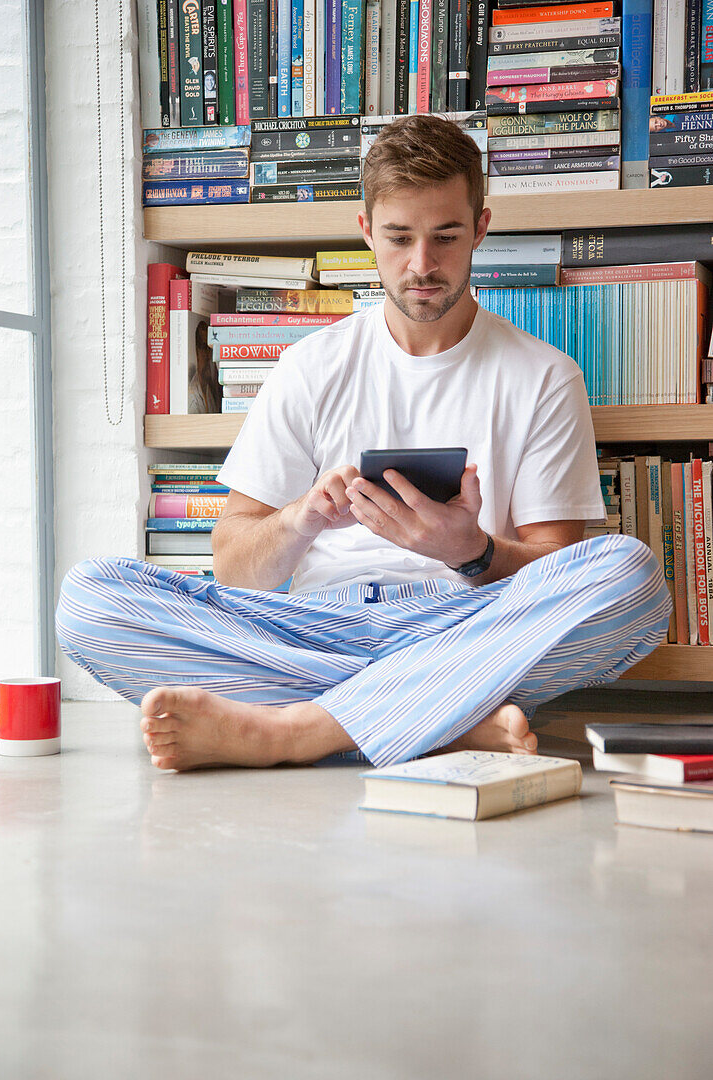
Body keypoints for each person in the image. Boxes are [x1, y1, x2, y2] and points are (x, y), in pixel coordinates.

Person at [56, 115, 671, 773]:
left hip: (462, 626)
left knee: (628, 577)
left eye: (445, 237)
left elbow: (560, 566)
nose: (421, 265)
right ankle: (438, 717)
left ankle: (294, 731)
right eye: (399, 238)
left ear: (481, 229)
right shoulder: (311, 366)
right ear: (365, 232)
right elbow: (236, 568)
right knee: (89, 597)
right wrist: (302, 519)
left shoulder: (542, 376)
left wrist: (469, 551)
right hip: (314, 632)